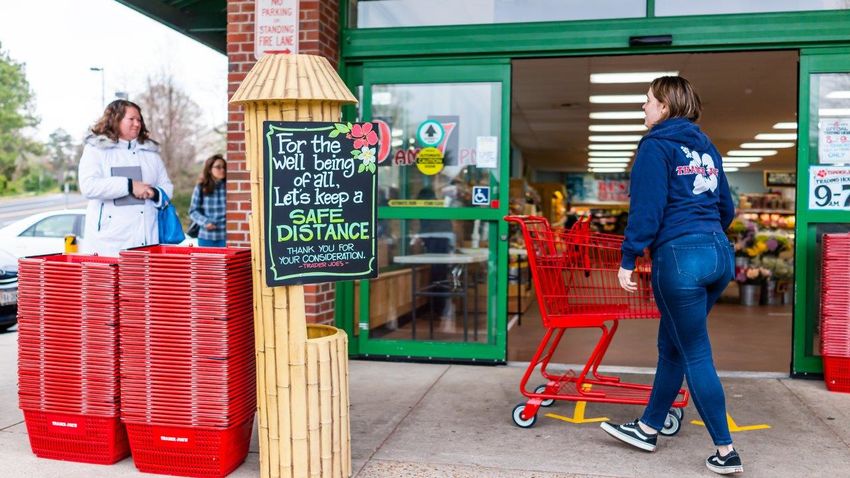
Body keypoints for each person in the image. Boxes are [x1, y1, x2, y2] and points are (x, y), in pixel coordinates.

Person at [599, 77, 742, 475]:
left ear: (664, 107)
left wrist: (628, 257)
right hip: (718, 254)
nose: (642, 109)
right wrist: (706, 233)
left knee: (694, 351)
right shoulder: (706, 147)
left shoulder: (654, 147)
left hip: (680, 258)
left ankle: (726, 450)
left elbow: (647, 209)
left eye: (646, 102)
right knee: (675, 345)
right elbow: (726, 207)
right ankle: (648, 426)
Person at [78, 99, 173, 257]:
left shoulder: (151, 153)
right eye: (131, 119)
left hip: (147, 238)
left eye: (139, 120)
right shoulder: (96, 150)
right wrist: (129, 185)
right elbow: (88, 186)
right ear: (115, 119)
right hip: (109, 243)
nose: (137, 124)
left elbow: (167, 186)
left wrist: (154, 193)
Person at [189, 154, 227, 247]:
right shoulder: (201, 187)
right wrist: (205, 222)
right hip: (206, 237)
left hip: (226, 237)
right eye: (218, 167)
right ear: (210, 169)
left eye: (224, 167)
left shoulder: (230, 187)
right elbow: (193, 211)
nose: (222, 170)